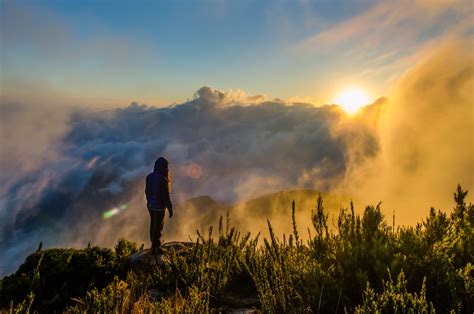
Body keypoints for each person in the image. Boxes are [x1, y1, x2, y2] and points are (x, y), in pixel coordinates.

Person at [145, 157, 173, 254]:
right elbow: (165, 196)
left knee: (153, 224)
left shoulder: (149, 177)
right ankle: (156, 248)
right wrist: (170, 208)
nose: (168, 168)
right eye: (166, 166)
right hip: (159, 207)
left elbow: (147, 191)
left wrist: (149, 201)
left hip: (150, 206)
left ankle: (153, 244)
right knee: (158, 227)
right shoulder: (163, 179)